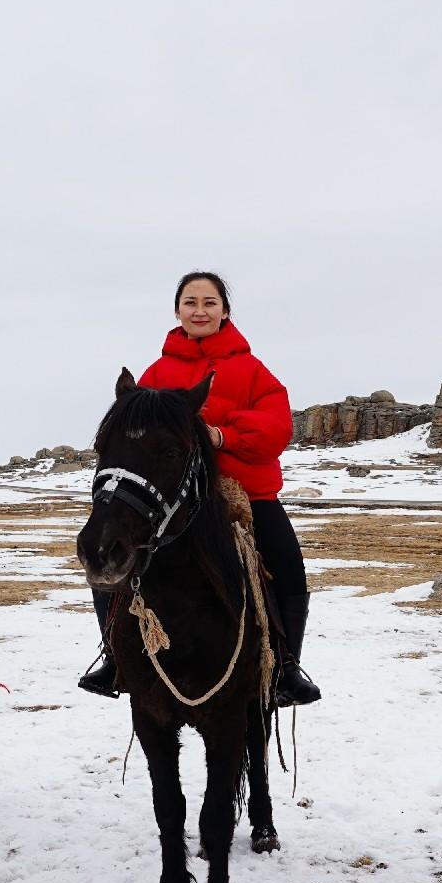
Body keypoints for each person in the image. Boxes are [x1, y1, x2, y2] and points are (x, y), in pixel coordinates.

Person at [78, 272, 322, 707]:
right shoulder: (157, 372)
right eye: (190, 302)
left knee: (287, 563)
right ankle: (114, 655)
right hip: (176, 499)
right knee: (107, 552)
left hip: (246, 494)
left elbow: (276, 426)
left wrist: (222, 436)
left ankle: (286, 666)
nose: (200, 310)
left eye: (210, 302)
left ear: (224, 311)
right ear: (177, 311)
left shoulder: (251, 369)